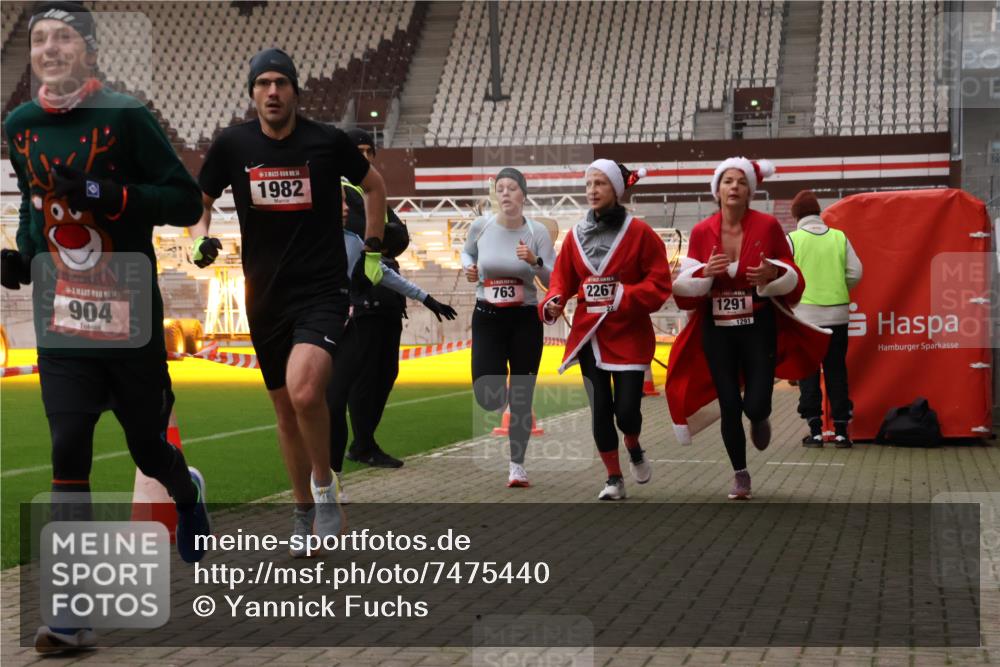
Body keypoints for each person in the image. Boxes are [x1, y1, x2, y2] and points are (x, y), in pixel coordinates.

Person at [1, 1, 209, 653]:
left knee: (149, 446)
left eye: (64, 37)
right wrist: (25, 256)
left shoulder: (127, 117)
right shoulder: (19, 124)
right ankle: (68, 613)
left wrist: (108, 197)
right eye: (40, 38)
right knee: (69, 446)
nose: (50, 48)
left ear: (88, 50)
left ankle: (185, 486)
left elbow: (183, 199)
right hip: (62, 318)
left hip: (128, 312)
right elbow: (38, 211)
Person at [191, 48, 387, 548]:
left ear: (296, 91)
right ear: (252, 92)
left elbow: (375, 186)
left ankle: (324, 486)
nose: (272, 92)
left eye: (281, 82)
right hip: (265, 296)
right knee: (283, 410)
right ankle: (301, 509)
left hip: (321, 290)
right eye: (263, 84)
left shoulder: (326, 141)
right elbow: (202, 201)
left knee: (305, 392)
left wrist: (373, 248)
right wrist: (198, 236)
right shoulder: (233, 145)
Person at [666, 157, 829, 500]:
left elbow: (792, 273)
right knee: (728, 404)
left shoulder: (768, 226)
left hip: (759, 325)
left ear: (750, 190)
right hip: (716, 329)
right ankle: (740, 474)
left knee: (754, 405)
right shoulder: (700, 232)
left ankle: (760, 416)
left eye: (740, 181)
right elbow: (685, 286)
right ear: (717, 190)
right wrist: (705, 273)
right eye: (727, 181)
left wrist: (773, 273)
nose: (734, 187)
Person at [540, 160, 672, 500]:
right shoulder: (574, 236)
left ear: (616, 189)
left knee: (627, 412)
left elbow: (659, 282)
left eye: (600, 184)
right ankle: (614, 478)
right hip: (590, 336)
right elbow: (562, 280)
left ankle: (633, 444)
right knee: (600, 410)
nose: (592, 191)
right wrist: (554, 301)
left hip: (629, 333)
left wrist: (624, 295)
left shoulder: (640, 233)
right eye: (588, 184)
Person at [329, 179, 457, 504]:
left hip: (346, 327)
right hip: (317, 330)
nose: (346, 208)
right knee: (327, 403)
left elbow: (385, 272)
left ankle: (334, 481)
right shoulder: (302, 243)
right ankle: (330, 477)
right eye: (339, 201)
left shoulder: (354, 241)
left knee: (338, 398)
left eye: (347, 202)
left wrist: (428, 299)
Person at [462, 168, 556, 488]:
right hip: (487, 316)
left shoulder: (537, 231)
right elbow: (467, 252)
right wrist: (469, 269)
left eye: (512, 188)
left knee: (521, 394)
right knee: (487, 394)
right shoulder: (481, 226)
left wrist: (534, 260)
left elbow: (551, 279)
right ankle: (499, 400)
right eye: (500, 188)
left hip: (525, 319)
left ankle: (517, 465)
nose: (505, 194)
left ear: (523, 195)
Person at [787, 190, 862, 448]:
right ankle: (841, 431)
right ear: (819, 213)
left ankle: (816, 431)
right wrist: (838, 287)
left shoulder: (793, 240)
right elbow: (855, 272)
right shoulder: (839, 237)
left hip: (805, 317)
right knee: (836, 370)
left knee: (808, 371)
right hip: (838, 314)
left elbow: (785, 278)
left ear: (796, 215)